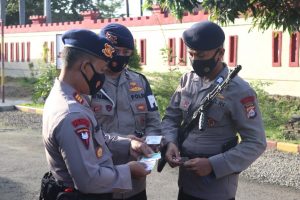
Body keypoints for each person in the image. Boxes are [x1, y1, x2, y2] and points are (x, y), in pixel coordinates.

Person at [42, 29, 154, 200]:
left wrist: (128, 143)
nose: (102, 78)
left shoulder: (69, 96)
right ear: (85, 67)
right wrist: (129, 170)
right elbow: (89, 180)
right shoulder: (72, 113)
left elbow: (97, 137)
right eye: (101, 70)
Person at [161, 21, 267, 200]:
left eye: (201, 54)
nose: (195, 60)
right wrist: (170, 143)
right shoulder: (187, 81)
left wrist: (213, 164)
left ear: (220, 53)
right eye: (191, 54)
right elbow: (171, 118)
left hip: (216, 189)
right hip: (186, 184)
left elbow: (256, 142)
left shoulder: (239, 91)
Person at [89, 23, 162, 200]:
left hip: (135, 183)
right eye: (116, 51)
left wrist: (150, 146)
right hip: (101, 179)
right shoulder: (89, 82)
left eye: (126, 52)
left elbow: (153, 120)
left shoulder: (140, 82)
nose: (120, 57)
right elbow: (85, 132)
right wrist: (126, 143)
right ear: (105, 50)